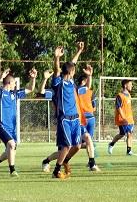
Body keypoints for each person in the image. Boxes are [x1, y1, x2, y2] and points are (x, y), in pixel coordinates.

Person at [41, 65, 100, 173]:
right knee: (64, 149)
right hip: (64, 120)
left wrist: (89, 76)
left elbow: (87, 87)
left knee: (80, 143)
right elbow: (42, 92)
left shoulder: (73, 87)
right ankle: (48, 161)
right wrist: (45, 78)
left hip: (77, 120)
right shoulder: (58, 88)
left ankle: (90, 163)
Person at [0, 68, 36, 177]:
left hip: (12, 127)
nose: (15, 85)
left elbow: (30, 88)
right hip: (1, 125)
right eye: (14, 83)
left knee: (11, 150)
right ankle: (12, 170)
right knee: (11, 144)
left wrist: (33, 78)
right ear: (9, 83)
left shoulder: (15, 94)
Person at [49, 42, 84, 179]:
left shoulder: (71, 82)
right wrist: (56, 57)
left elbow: (72, 63)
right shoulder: (59, 83)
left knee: (78, 146)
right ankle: (56, 171)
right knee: (67, 145)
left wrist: (79, 51)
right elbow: (57, 70)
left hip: (75, 118)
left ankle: (65, 161)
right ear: (70, 72)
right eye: (73, 70)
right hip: (64, 119)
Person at [77, 64, 100, 171]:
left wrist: (91, 109)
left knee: (89, 141)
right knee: (86, 141)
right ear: (84, 81)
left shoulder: (90, 92)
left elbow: (94, 106)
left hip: (91, 118)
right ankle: (68, 150)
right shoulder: (77, 90)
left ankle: (91, 161)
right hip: (82, 118)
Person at [108, 79, 137, 156]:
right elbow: (119, 107)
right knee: (125, 133)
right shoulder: (120, 95)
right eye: (130, 84)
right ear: (125, 85)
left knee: (126, 134)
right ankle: (113, 144)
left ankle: (127, 150)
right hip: (122, 119)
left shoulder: (129, 95)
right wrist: (124, 118)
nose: (131, 86)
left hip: (129, 119)